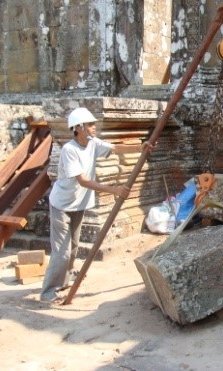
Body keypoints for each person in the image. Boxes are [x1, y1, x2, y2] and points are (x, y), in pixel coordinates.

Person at [40, 107, 153, 303]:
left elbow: (114, 149)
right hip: (61, 204)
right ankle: (48, 291)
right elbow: (82, 181)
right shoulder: (69, 150)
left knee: (74, 246)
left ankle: (65, 279)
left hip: (79, 204)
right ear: (79, 128)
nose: (94, 127)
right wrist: (114, 190)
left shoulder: (92, 143)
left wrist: (140, 148)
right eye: (90, 124)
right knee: (62, 250)